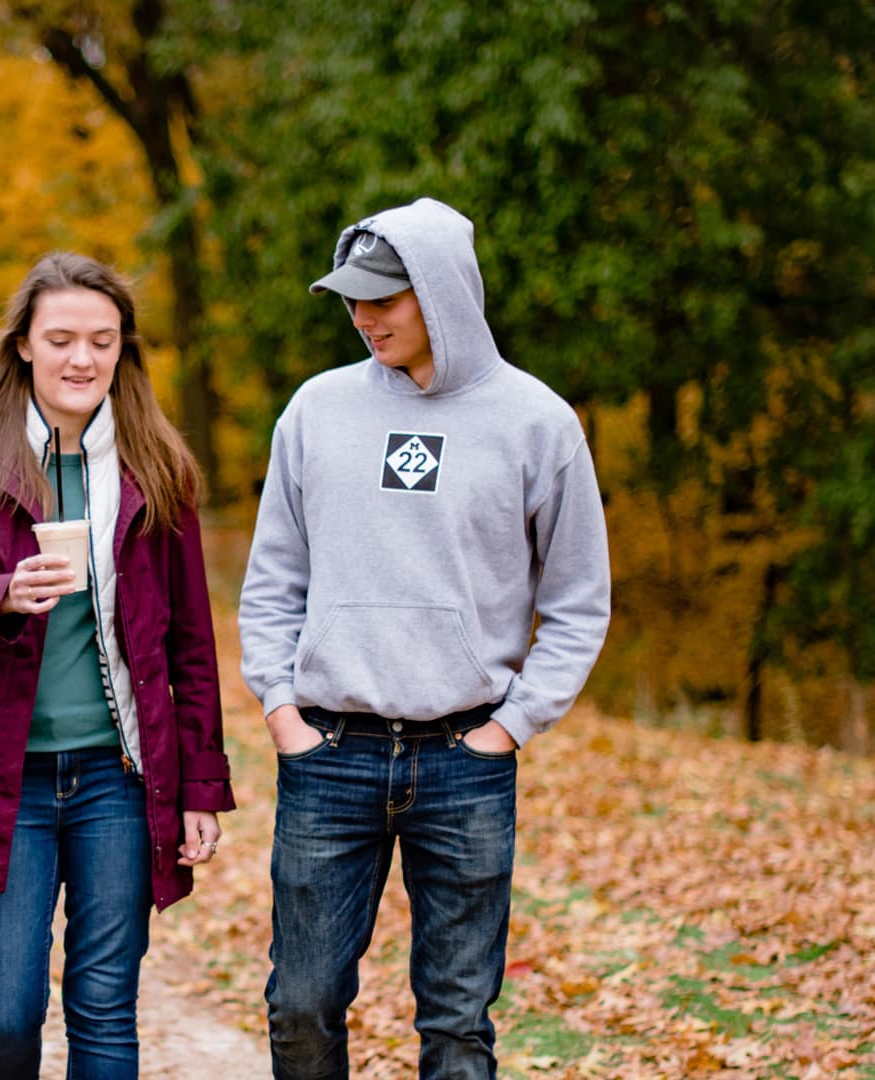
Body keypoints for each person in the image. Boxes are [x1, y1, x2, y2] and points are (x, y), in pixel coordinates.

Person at [239, 197, 612, 1077]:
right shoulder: (317, 409)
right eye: (352, 299)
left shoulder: (538, 422)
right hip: (329, 752)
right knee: (300, 1008)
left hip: (463, 759)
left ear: (442, 292)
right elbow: (272, 582)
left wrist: (509, 728)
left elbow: (578, 600)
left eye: (385, 298)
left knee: (456, 1025)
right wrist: (282, 707)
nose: (363, 317)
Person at [0, 251, 236, 1078]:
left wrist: (200, 787)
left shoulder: (158, 471)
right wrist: (0, 594)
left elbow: (191, 642)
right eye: (60, 339)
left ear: (123, 351)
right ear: (23, 345)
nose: (81, 359)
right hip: (1, 779)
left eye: (102, 340)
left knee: (105, 1006)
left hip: (120, 780)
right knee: (6, 1017)